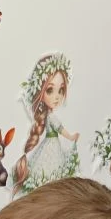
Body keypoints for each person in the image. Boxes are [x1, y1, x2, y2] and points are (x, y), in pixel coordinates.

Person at [12, 53, 80, 198]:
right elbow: (60, 129)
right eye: (50, 90)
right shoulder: (51, 117)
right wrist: (71, 136)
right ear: (40, 91)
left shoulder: (48, 115)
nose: (57, 96)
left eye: (61, 90)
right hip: (52, 143)